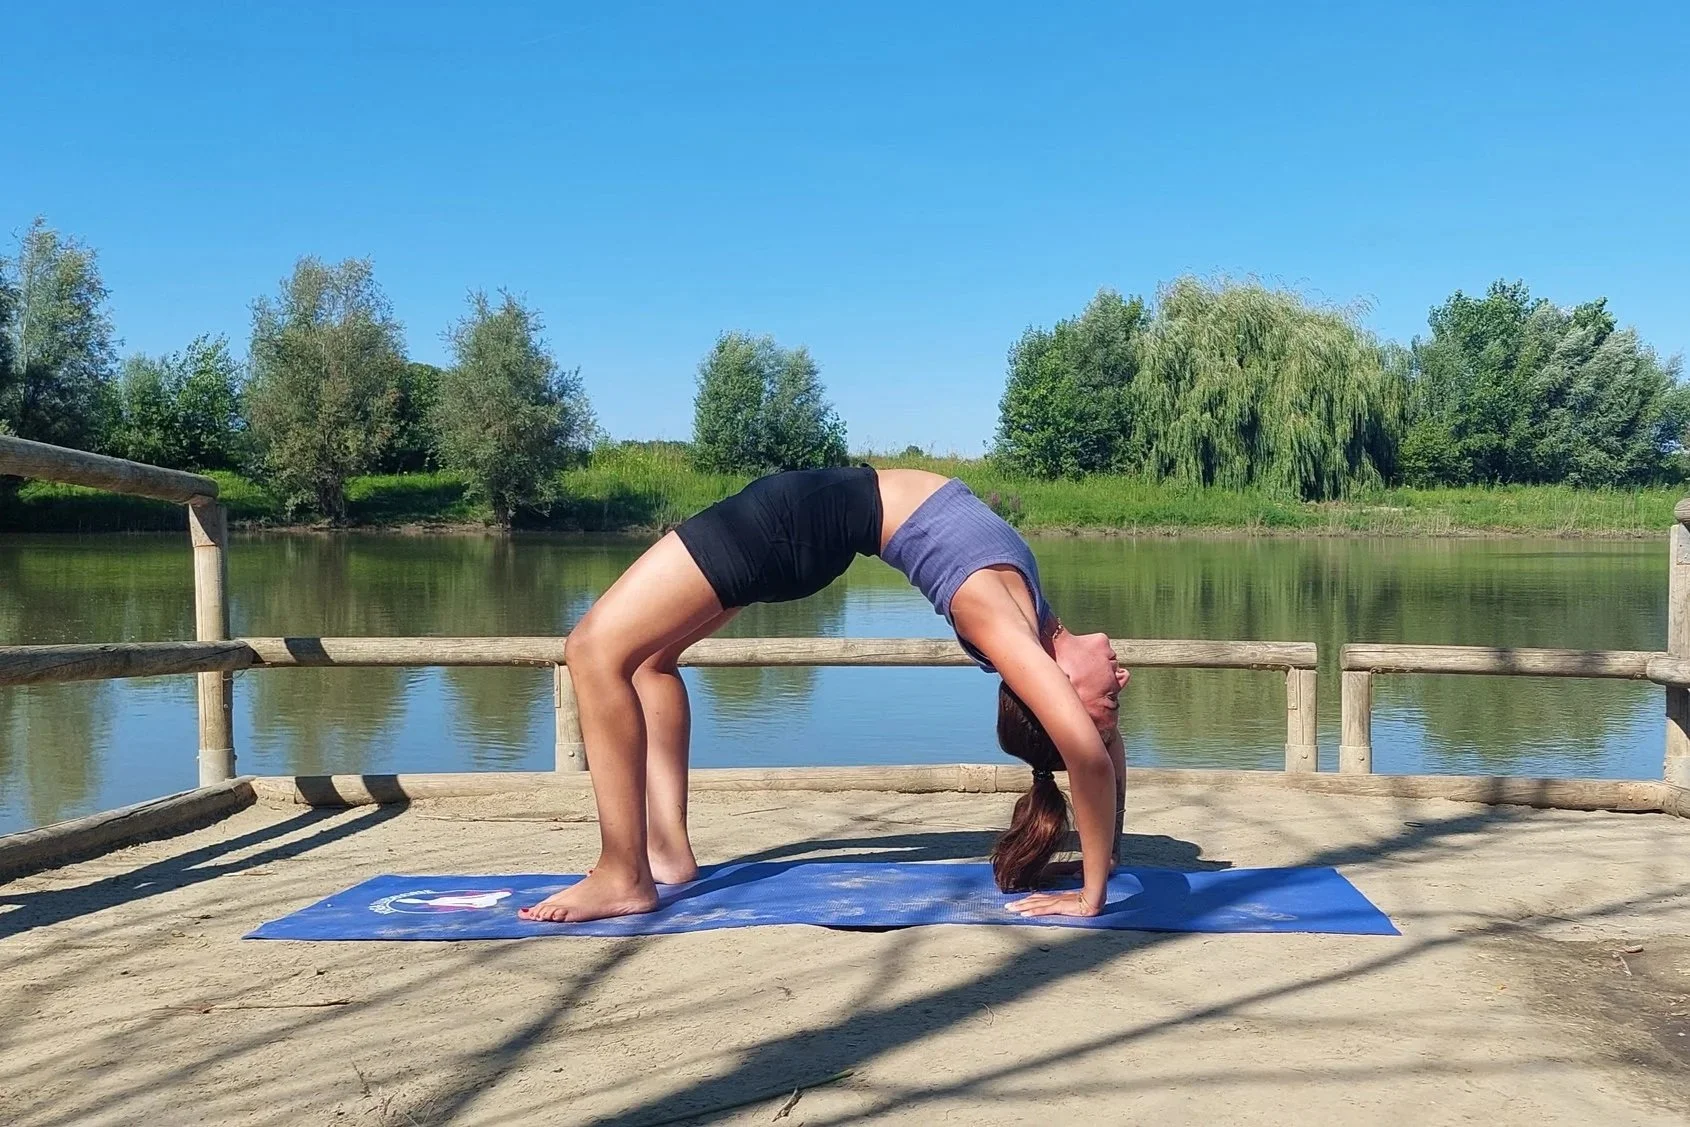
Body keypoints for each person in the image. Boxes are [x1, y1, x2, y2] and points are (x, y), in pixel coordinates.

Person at [518, 466, 1129, 924]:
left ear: (1063, 689)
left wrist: (1089, 896)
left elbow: (1086, 754)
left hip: (793, 525)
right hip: (808, 523)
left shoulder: (999, 618)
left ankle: (623, 872)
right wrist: (1108, 856)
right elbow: (1099, 753)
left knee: (592, 650)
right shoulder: (1040, 620)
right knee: (652, 660)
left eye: (1110, 701)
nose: (1123, 680)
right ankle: (668, 854)